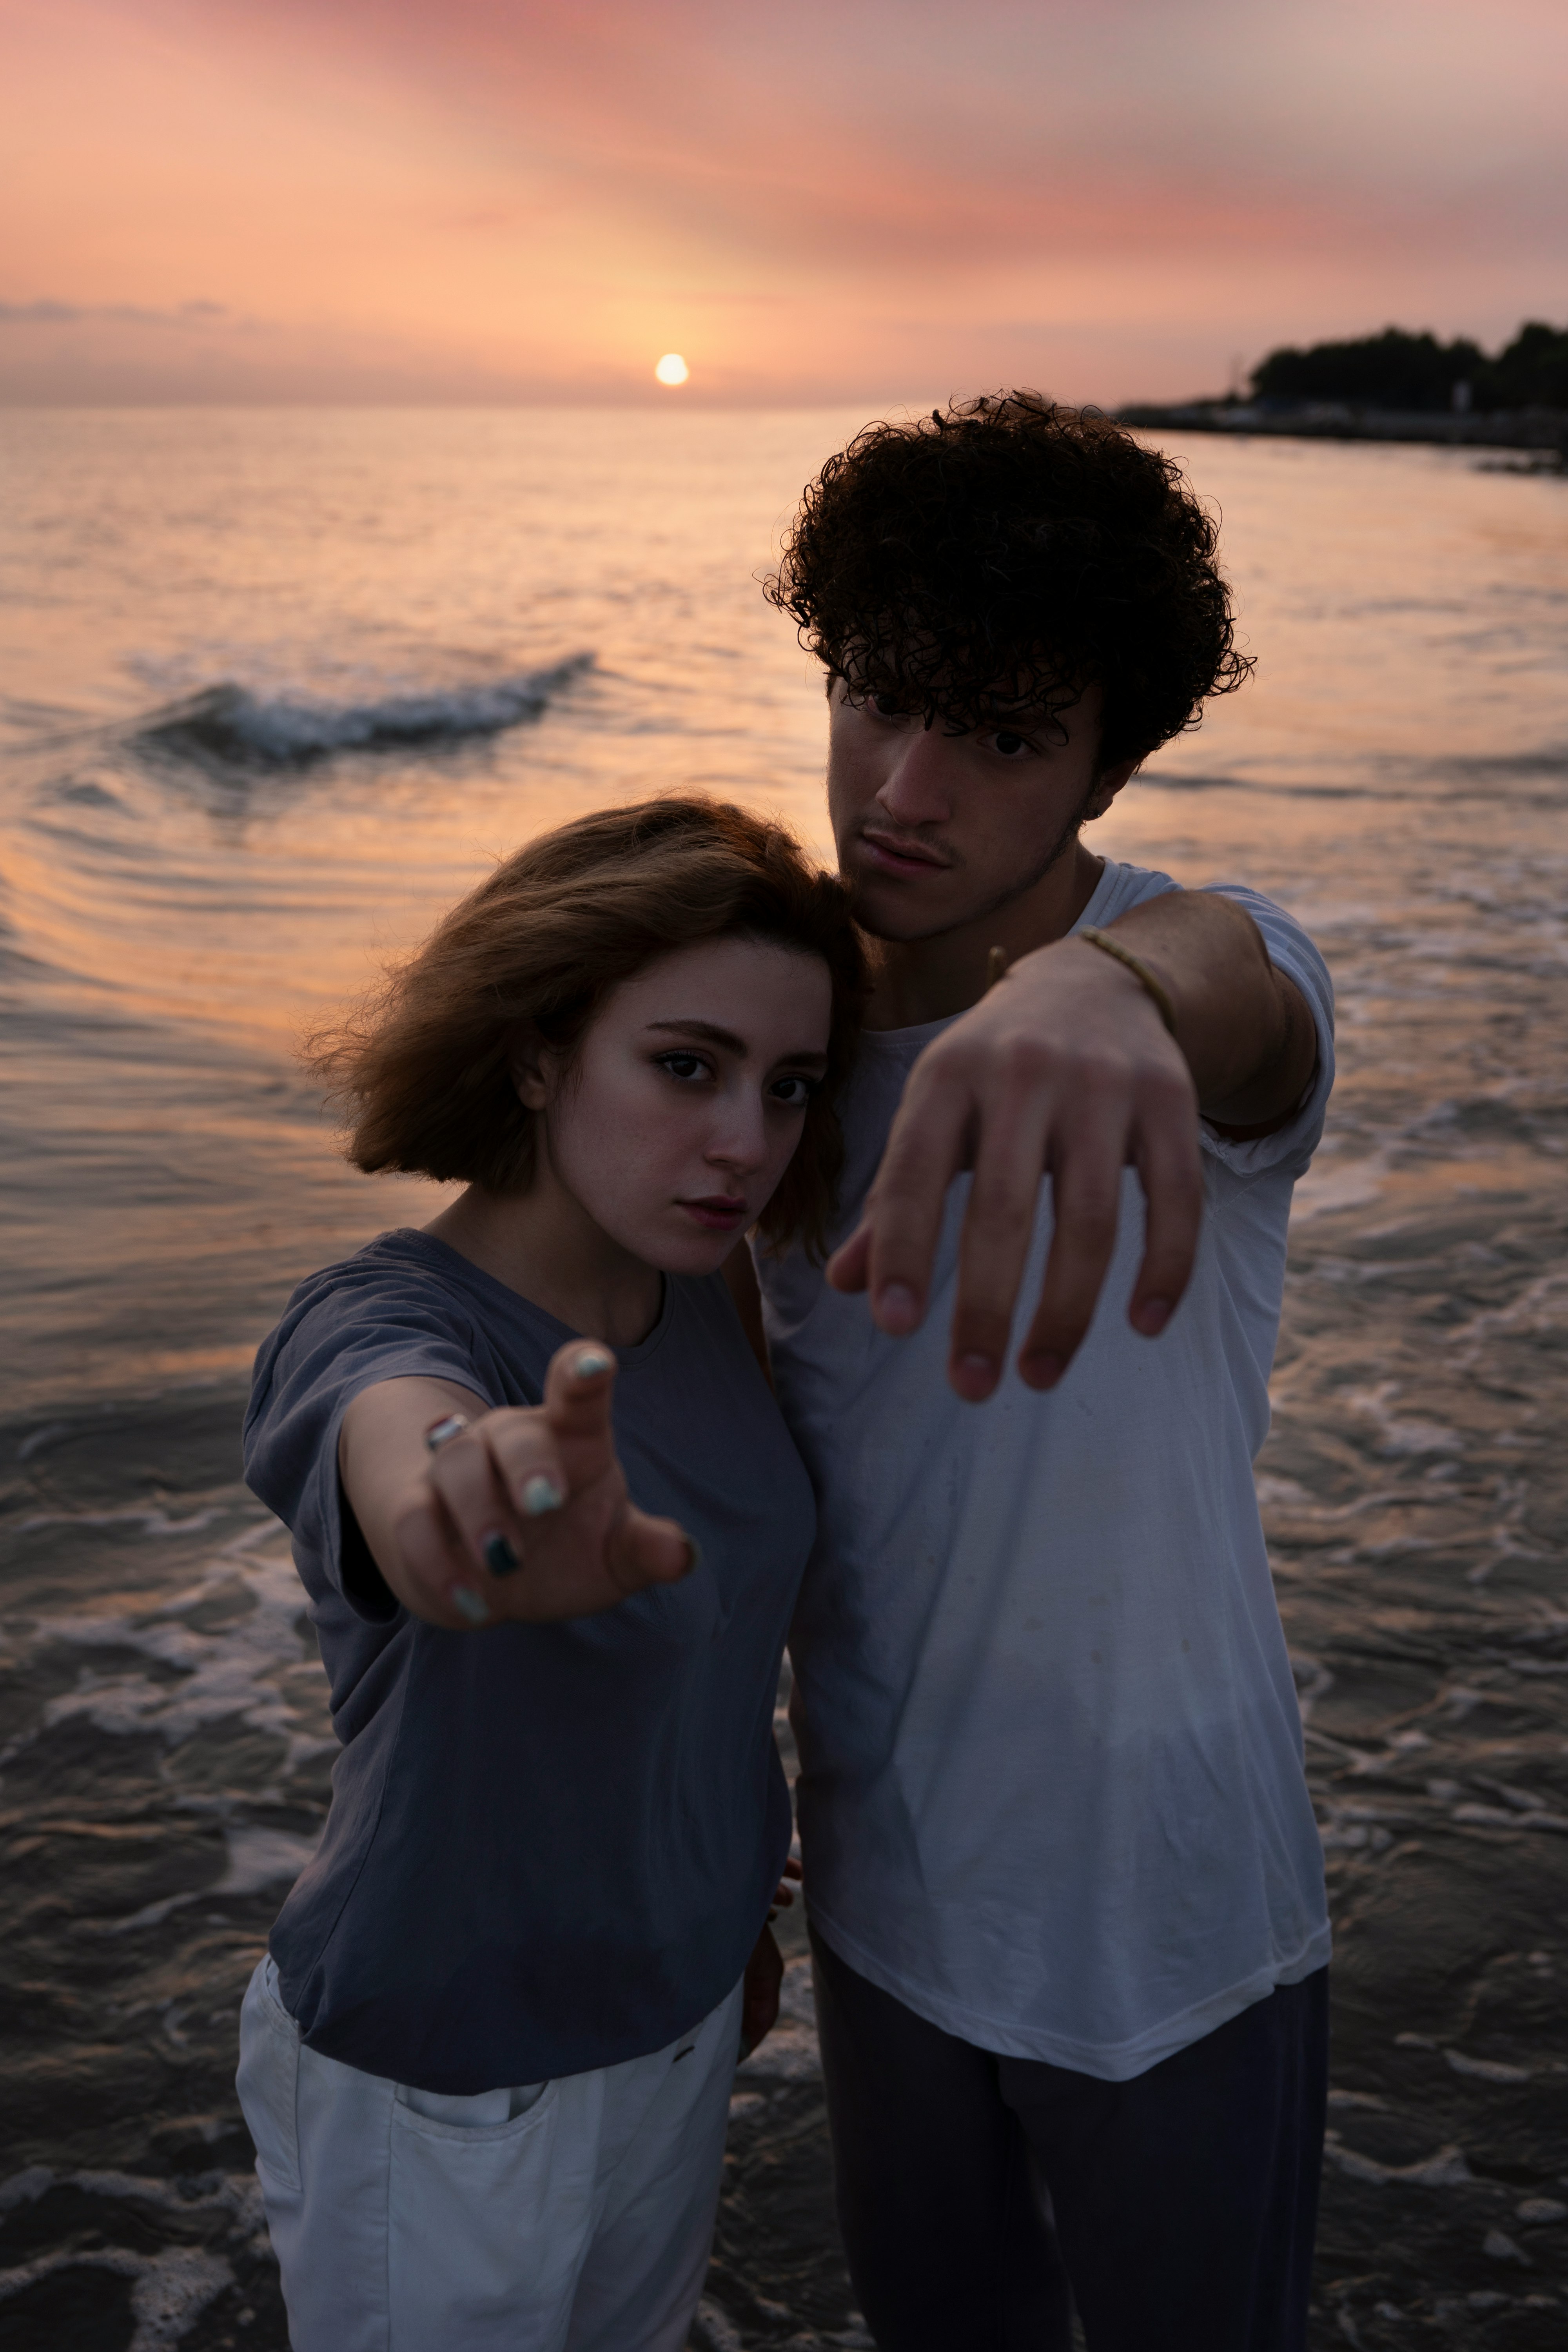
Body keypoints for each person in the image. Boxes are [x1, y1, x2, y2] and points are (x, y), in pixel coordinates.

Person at [741, 395, 1335, 2350]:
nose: (905, 788)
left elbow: (1238, 978)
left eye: (1000, 739)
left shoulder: (1179, 1002)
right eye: (880, 698)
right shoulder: (763, 1042)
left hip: (1158, 1902)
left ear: (1103, 765)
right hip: (886, 1893)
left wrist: (1110, 982)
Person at [234, 797, 864, 2352]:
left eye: (789, 1087)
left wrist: (725, 1919)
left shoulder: (707, 1291)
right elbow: (403, 1446)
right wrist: (468, 1504)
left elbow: (708, 1673)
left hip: (673, 2028)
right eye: (684, 1066)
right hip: (448, 2087)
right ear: (535, 1055)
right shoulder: (380, 1319)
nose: (744, 1142)